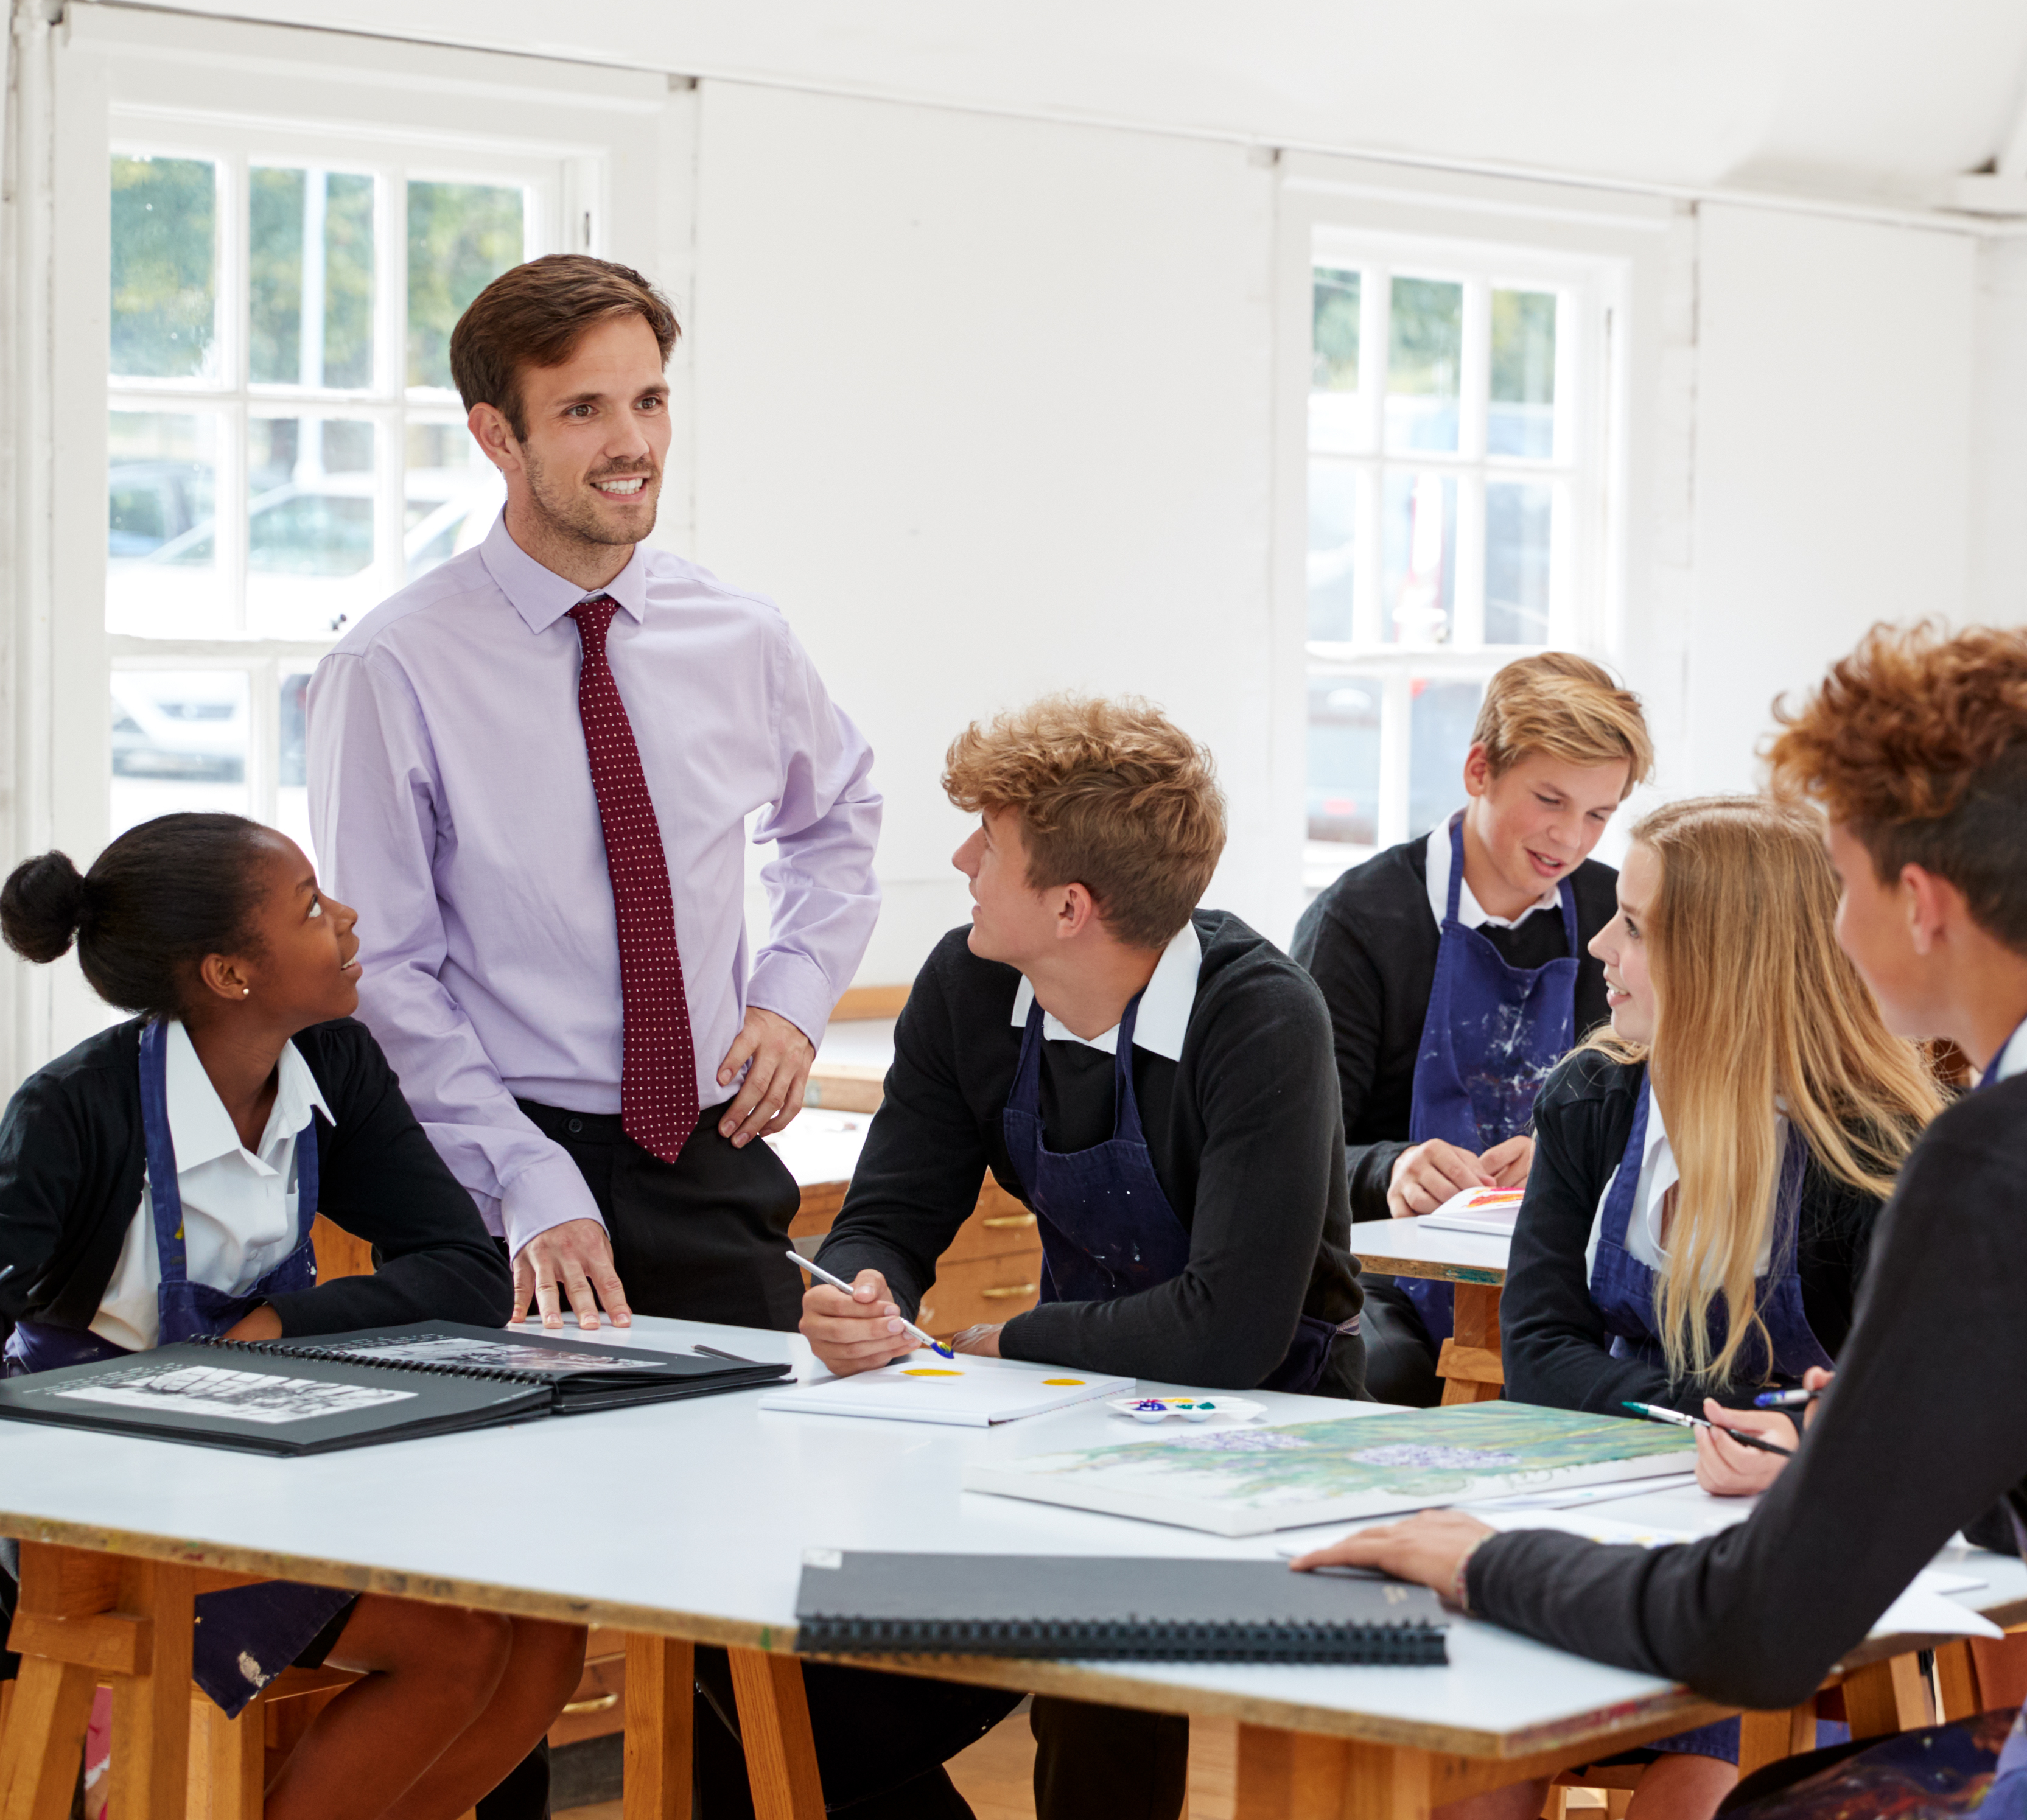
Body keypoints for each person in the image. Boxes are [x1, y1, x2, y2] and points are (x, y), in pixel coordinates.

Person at [1300, 622, 2027, 1820]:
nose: (1823, 928)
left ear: (1917, 902)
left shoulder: (2003, 1158)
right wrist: (1852, 1444)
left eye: (1839, 883)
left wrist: (1480, 1559)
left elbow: (1759, 1628)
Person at [303, 256, 997, 1820]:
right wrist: (524, 1176)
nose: (632, 442)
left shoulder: (734, 632)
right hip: (489, 1174)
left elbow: (839, 829)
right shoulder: (392, 665)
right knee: (497, 1611)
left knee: (747, 1586)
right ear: (497, 432)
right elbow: (390, 969)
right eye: (585, 410)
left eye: (650, 399)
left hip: (698, 1153)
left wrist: (791, 998)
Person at [803, 693, 1364, 1820]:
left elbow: (1229, 1329)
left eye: (989, 844)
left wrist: (1006, 1337)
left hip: (1263, 1429)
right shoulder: (968, 983)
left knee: (1104, 1709)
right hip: (1060, 1409)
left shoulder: (1260, 1018)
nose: (961, 859)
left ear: (1070, 905)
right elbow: (893, 1210)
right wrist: (863, 1289)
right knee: (782, 1702)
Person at [0, 817, 583, 1820]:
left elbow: (462, 1267)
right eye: (312, 905)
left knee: (545, 1633)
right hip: (107, 1496)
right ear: (230, 971)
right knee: (459, 1645)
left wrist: (272, 1326)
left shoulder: (336, 1065)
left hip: (269, 1461)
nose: (348, 918)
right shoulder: (71, 1111)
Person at [1499, 794, 1940, 1820]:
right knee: (1471, 1782)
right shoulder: (1590, 1099)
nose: (1601, 942)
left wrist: (1792, 1436)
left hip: (1792, 1569)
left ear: (1734, 955)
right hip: (1603, 1530)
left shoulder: (1870, 1153)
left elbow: (1906, 1415)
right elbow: (1535, 1355)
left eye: (1639, 924)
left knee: (1690, 1795)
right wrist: (1719, 1412)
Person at [1295, 652, 1651, 1405]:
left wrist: (1568, 1154)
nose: (1570, 838)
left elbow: (1649, 1110)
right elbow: (1298, 1147)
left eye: (1597, 814)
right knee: (1374, 1377)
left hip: (1557, 1263)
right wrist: (1391, 1169)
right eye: (1549, 799)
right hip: (1387, 1275)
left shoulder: (1614, 919)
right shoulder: (1358, 922)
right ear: (1478, 769)